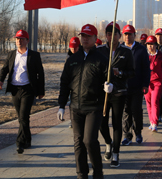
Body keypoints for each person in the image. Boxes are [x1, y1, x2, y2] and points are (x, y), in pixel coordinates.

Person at [57, 24, 108, 179]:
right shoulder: (73, 60)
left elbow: (110, 78)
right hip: (76, 107)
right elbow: (65, 83)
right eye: (82, 36)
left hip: (94, 106)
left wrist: (110, 86)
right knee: (78, 142)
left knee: (90, 141)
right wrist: (61, 105)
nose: (84, 39)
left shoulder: (102, 59)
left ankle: (98, 172)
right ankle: (81, 174)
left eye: (88, 36)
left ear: (94, 38)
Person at [0, 29, 45, 154]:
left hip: (28, 89)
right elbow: (5, 69)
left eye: (22, 39)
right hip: (14, 89)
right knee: (22, 118)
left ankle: (20, 143)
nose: (19, 41)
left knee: (23, 116)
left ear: (27, 41)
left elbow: (41, 74)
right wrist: (0, 80)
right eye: (17, 39)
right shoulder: (12, 54)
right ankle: (28, 139)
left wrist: (41, 91)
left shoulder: (34, 55)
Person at [97, 22, 135, 167]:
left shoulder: (125, 52)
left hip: (119, 92)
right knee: (101, 122)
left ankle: (116, 154)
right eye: (108, 34)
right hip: (104, 93)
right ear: (106, 36)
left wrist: (120, 74)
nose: (111, 37)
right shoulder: (99, 50)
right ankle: (108, 142)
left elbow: (132, 72)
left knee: (117, 123)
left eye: (114, 34)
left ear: (119, 35)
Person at [121, 24, 150, 145]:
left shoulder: (141, 49)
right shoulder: (120, 48)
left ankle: (138, 132)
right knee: (126, 111)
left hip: (137, 86)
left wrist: (145, 84)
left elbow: (146, 68)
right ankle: (127, 135)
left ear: (134, 35)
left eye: (130, 34)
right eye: (126, 34)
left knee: (136, 110)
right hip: (123, 86)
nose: (128, 37)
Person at [145, 36, 162, 132]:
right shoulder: (144, 55)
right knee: (148, 103)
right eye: (148, 44)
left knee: (155, 101)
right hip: (147, 83)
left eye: (152, 44)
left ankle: (155, 122)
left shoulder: (161, 56)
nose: (150, 46)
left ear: (156, 45)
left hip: (157, 82)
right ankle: (151, 121)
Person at [67, 36, 81, 129]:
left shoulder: (82, 56)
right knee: (71, 103)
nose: (73, 49)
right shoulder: (68, 58)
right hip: (71, 85)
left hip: (80, 84)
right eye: (71, 47)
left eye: (75, 47)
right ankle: (73, 120)